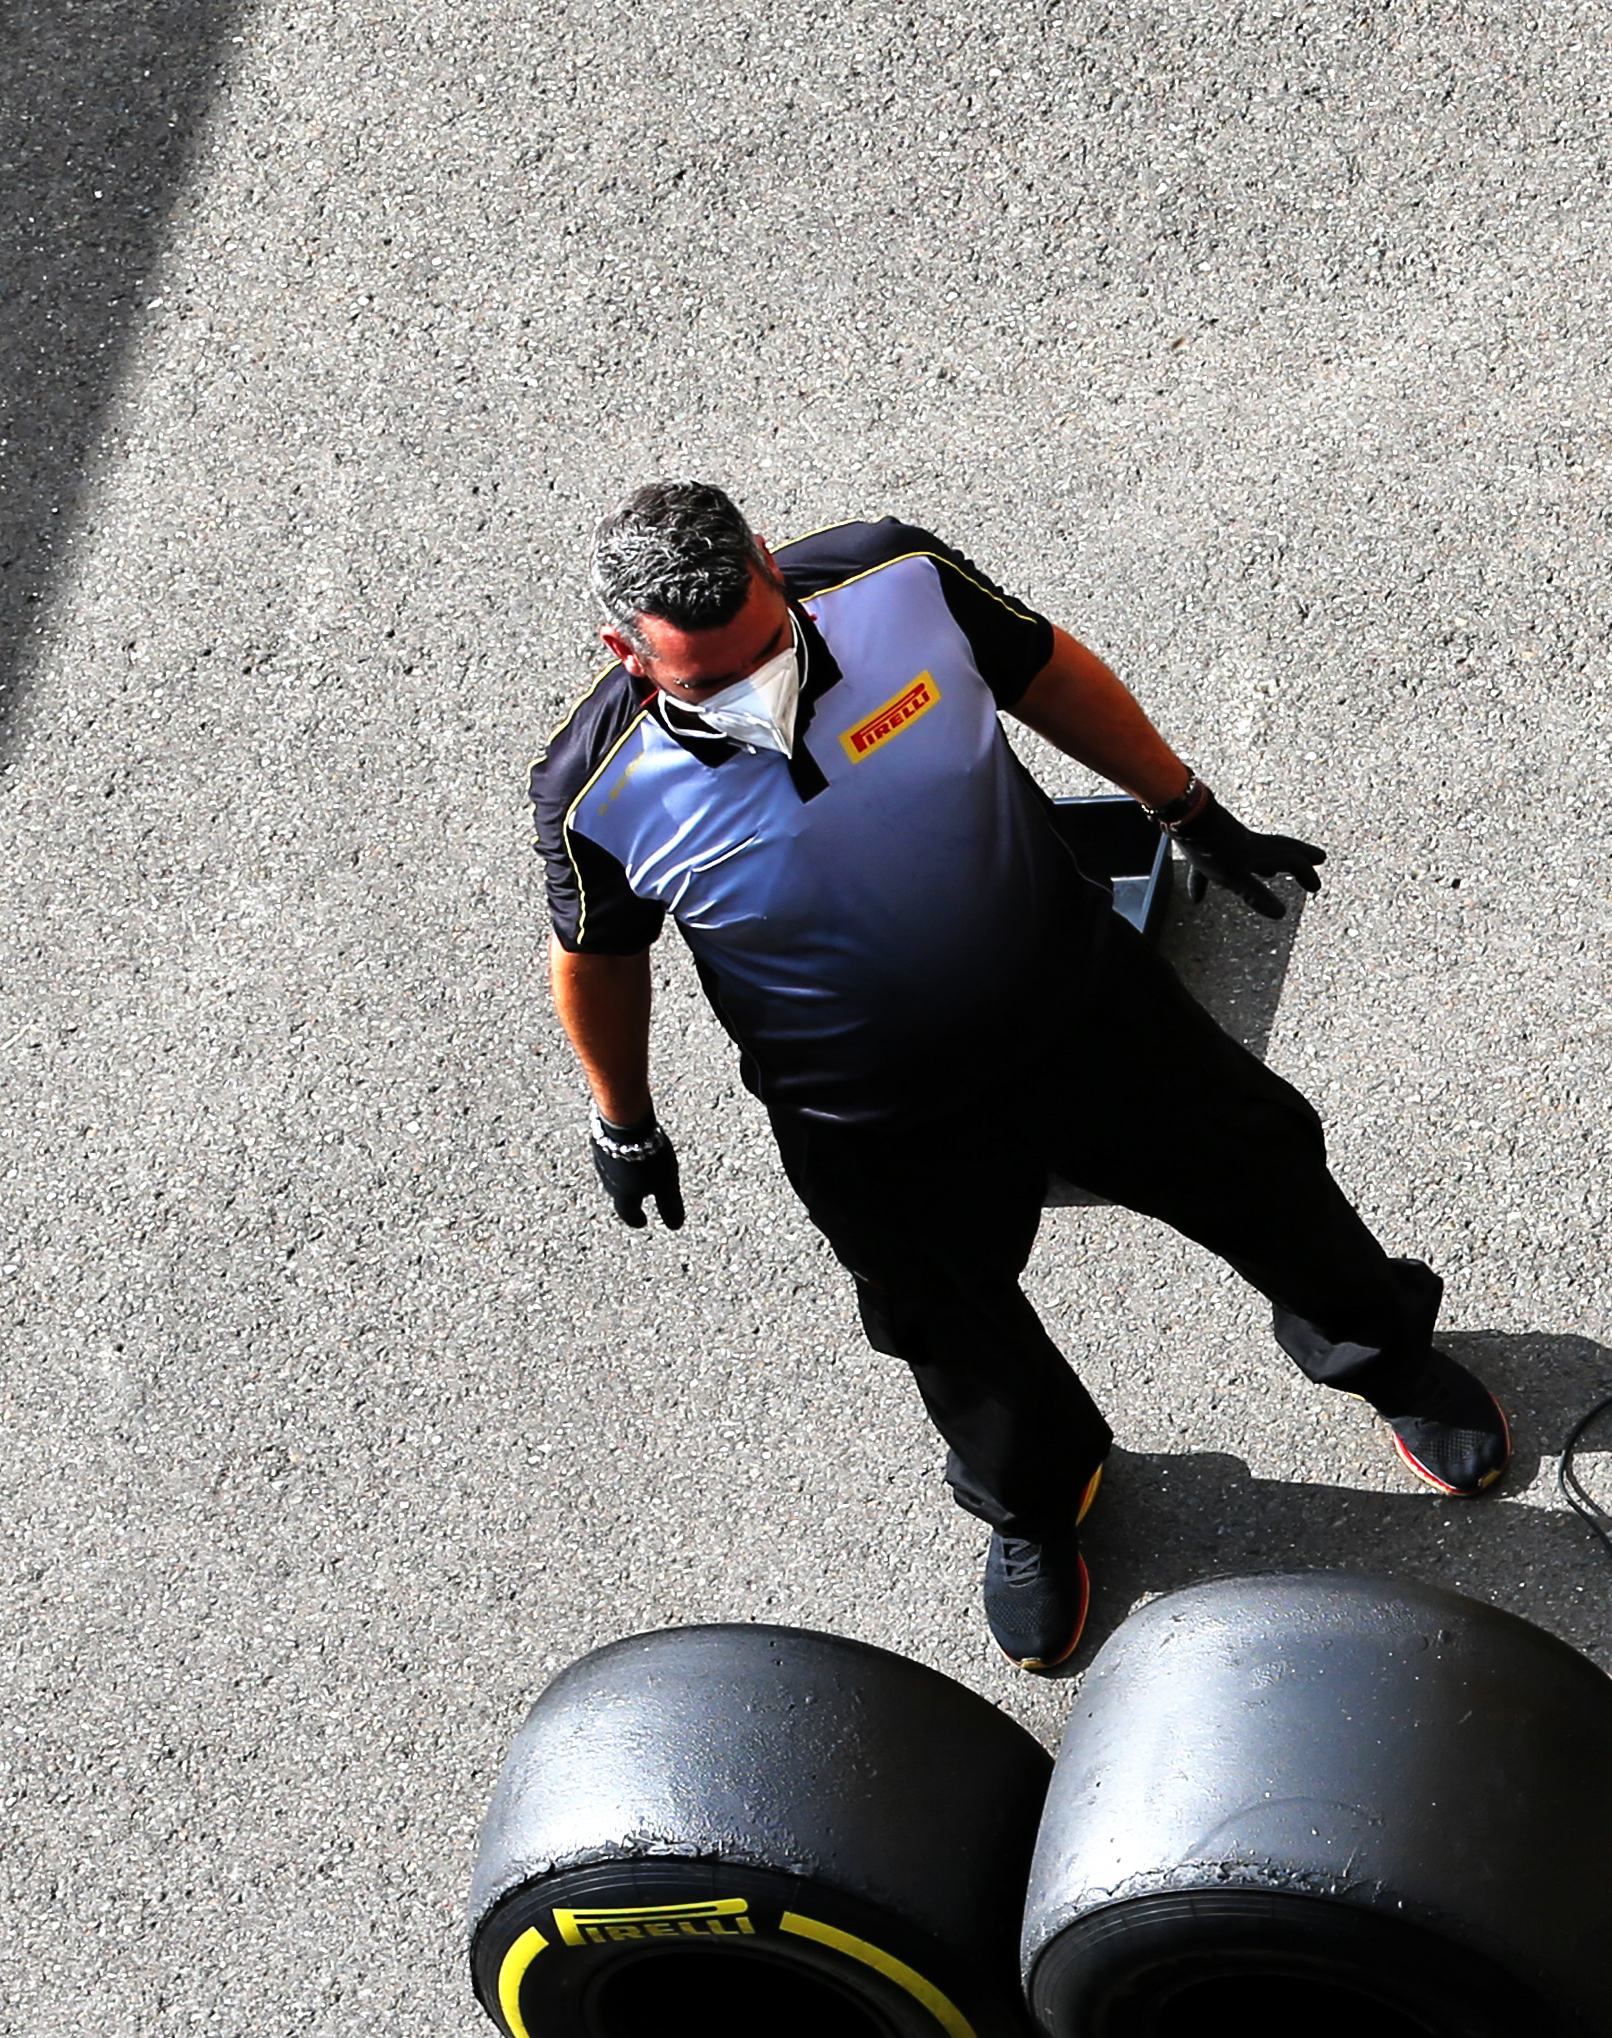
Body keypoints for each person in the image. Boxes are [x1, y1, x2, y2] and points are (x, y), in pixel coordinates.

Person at [530, 482, 1512, 1671]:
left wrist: (1189, 811)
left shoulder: (899, 585)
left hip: (1081, 1009)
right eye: (704, 678)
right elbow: (596, 957)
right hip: (868, 1112)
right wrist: (623, 1119)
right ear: (624, 653)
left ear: (771, 569)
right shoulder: (596, 788)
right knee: (946, 1327)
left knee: (1259, 1166)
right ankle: (1040, 1499)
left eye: (763, 646)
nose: (753, 688)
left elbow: (1047, 673)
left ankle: (1383, 1351)